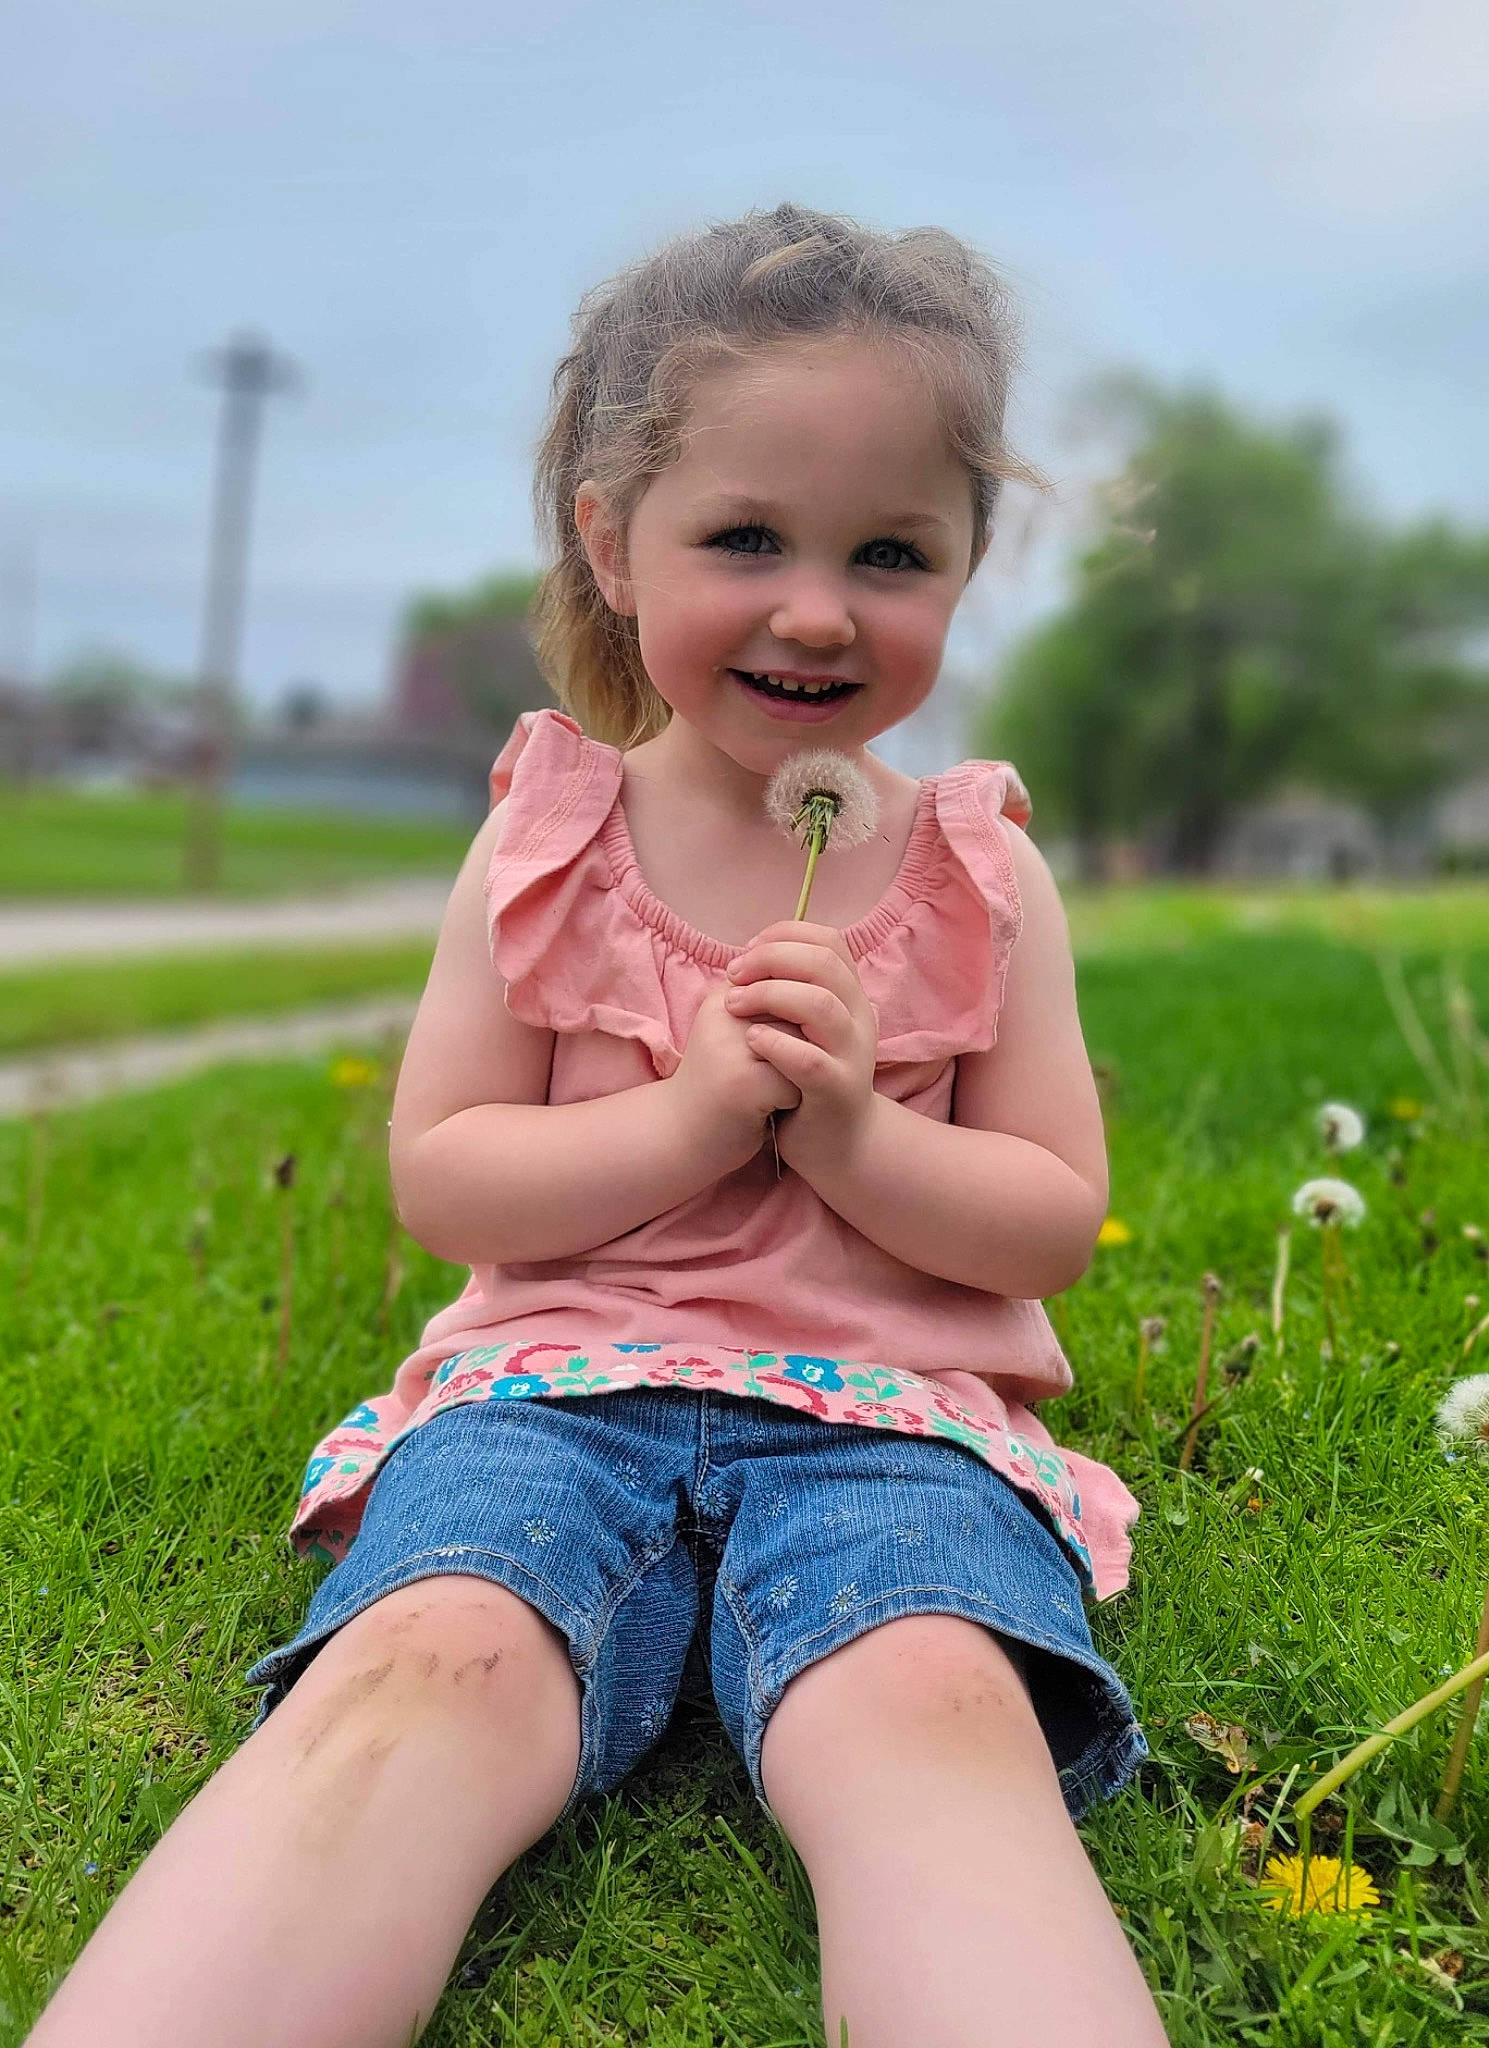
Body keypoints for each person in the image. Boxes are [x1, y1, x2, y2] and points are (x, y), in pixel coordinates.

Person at [28, 202, 1168, 2048]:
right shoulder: (548, 838)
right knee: (425, 1669)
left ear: (962, 569)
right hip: (555, 1387)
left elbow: (1044, 1222)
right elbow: (448, 1173)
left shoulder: (979, 873)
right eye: (744, 538)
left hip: (890, 1423)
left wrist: (855, 1141)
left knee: (929, 1709)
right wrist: (703, 1113)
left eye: (890, 551)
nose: (816, 607)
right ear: (609, 545)